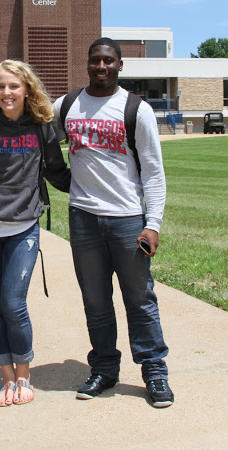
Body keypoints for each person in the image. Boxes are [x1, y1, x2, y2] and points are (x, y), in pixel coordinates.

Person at [53, 37, 174, 408]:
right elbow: (42, 141)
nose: (101, 66)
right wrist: (62, 180)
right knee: (96, 301)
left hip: (126, 220)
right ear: (87, 64)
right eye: (95, 60)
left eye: (108, 61)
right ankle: (105, 369)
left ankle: (154, 372)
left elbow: (153, 172)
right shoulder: (68, 106)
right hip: (84, 218)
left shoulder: (136, 109)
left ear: (120, 65)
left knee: (139, 299)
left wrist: (152, 223)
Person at [0, 60, 70, 407]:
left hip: (23, 228)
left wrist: (91, 188)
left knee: (13, 303)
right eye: (1, 86)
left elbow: (55, 170)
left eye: (14, 86)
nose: (7, 93)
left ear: (27, 90)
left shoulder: (42, 126)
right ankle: (6, 377)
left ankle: (24, 375)